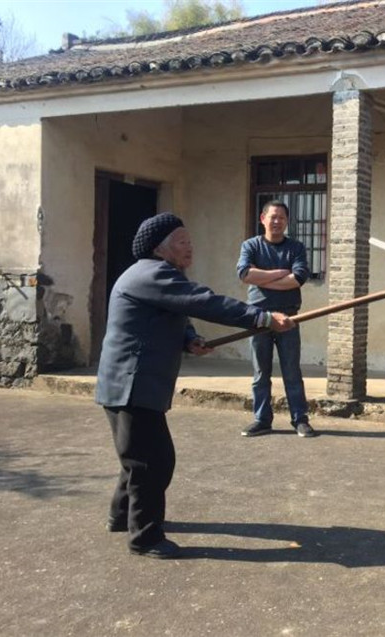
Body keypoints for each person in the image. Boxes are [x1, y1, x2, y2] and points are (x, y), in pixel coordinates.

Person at [96, 213, 295, 559]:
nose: (191, 248)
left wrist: (189, 339)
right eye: (183, 241)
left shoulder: (158, 277)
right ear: (161, 248)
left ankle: (121, 516)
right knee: (151, 462)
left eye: (190, 240)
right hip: (131, 384)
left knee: (139, 458)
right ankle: (144, 537)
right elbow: (203, 301)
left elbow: (178, 315)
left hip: (135, 385)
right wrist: (262, 318)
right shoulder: (153, 273)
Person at [237, 201, 315, 438]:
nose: (277, 221)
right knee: (261, 372)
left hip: (289, 317)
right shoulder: (250, 245)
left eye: (281, 217)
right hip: (259, 317)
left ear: (287, 221)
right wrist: (280, 273)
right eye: (273, 216)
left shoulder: (296, 247)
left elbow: (298, 278)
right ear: (263, 218)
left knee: (292, 371)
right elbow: (244, 274)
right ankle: (262, 420)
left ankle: (300, 419)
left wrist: (262, 279)